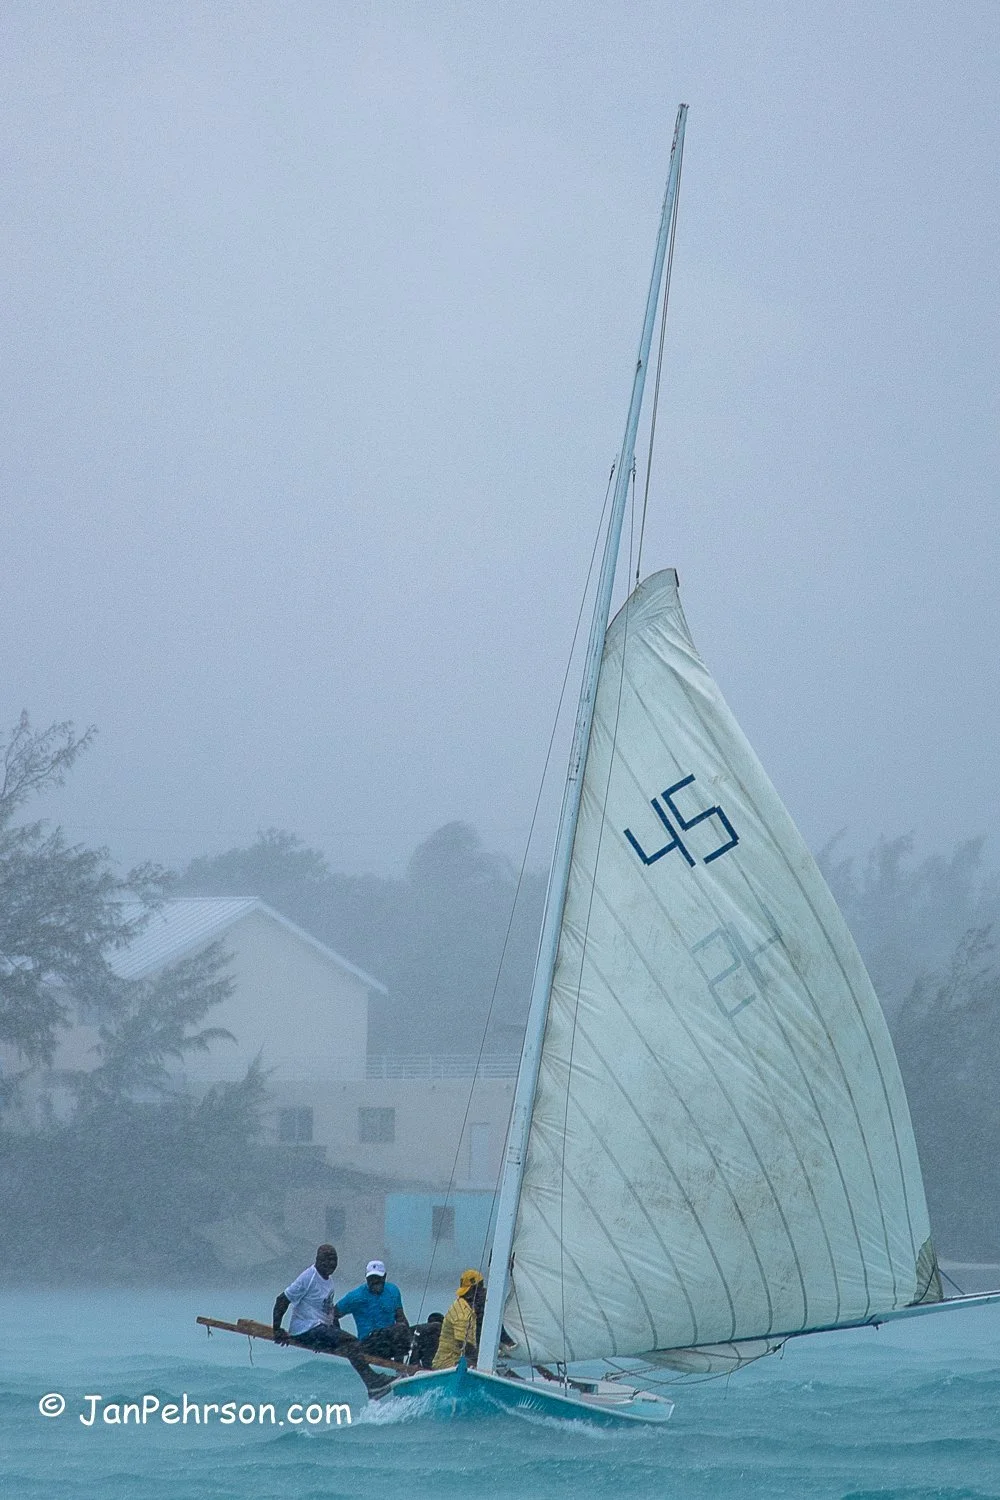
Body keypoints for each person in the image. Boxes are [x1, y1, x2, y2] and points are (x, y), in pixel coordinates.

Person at [271, 1244, 394, 1399]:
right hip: (305, 1329)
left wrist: (335, 1334)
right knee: (353, 1342)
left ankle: (373, 1383)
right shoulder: (308, 1277)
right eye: (326, 1259)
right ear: (317, 1259)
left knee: (350, 1343)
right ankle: (373, 1383)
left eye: (334, 1259)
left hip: (319, 1330)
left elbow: (328, 1314)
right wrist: (277, 1329)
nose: (330, 1263)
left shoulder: (329, 1282)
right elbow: (282, 1300)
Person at [334, 1259, 410, 1362]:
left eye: (378, 1278)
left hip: (390, 1341)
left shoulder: (393, 1291)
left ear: (384, 1276)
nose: (374, 1281)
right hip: (369, 1343)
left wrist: (412, 1339)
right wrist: (338, 1342)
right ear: (366, 1277)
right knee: (399, 1329)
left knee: (432, 1327)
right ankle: (400, 1368)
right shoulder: (355, 1297)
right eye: (371, 1278)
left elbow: (401, 1318)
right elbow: (333, 1314)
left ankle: (418, 1368)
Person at [431, 1268, 484, 1369]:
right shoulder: (462, 1314)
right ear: (472, 1291)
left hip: (458, 1362)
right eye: (481, 1288)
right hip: (448, 1364)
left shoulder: (468, 1307)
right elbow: (466, 1347)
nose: (484, 1291)